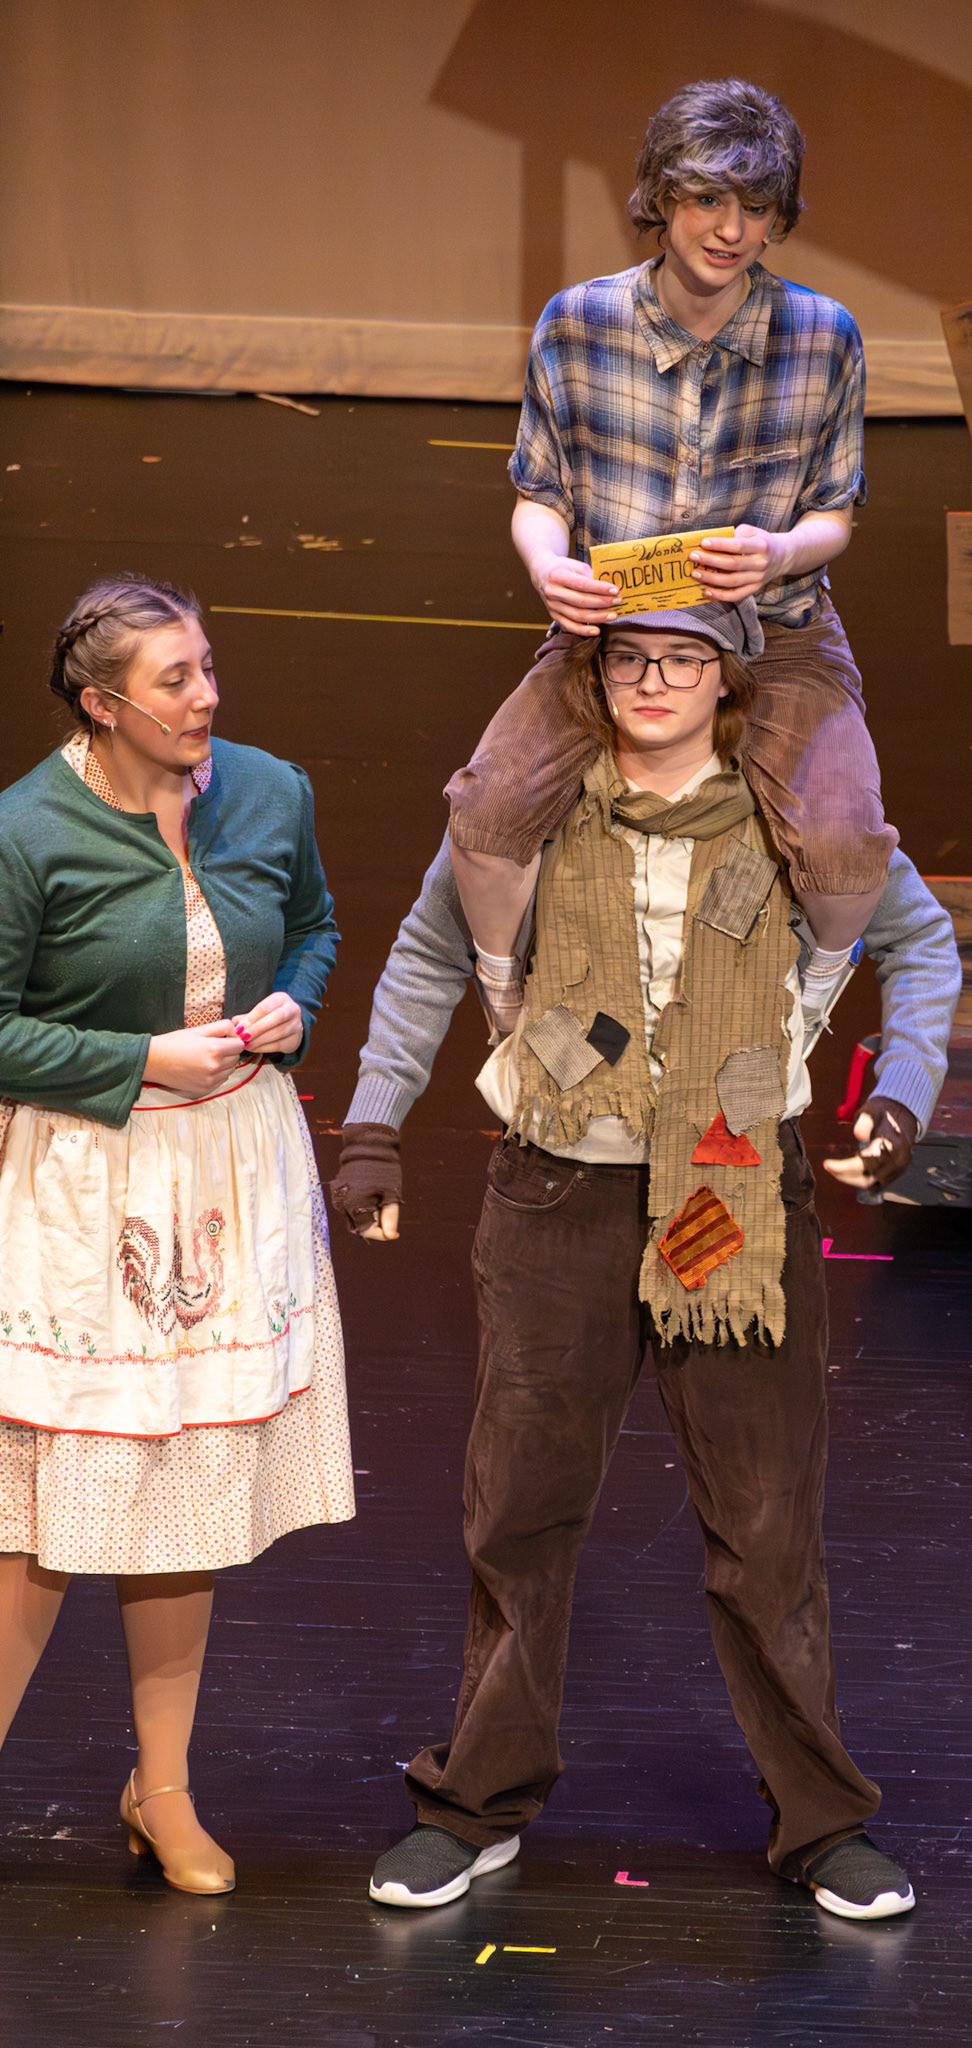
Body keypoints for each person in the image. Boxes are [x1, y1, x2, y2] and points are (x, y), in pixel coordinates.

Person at [333, 603, 960, 1920]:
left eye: (684, 659)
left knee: (768, 1527)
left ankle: (821, 1822)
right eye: (631, 658)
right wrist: (374, 1128)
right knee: (520, 1512)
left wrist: (901, 1089)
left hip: (732, 1195)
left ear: (726, 680)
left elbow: (922, 943)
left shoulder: (782, 818)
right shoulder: (533, 820)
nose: (657, 681)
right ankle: (479, 1802)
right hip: (560, 1186)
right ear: (593, 674)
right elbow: (422, 959)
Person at [0, 576, 354, 1896]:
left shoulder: (270, 790)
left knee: (186, 1501)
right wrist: (138, 1052)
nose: (206, 698)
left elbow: (312, 926)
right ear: (102, 706)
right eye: (174, 681)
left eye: (208, 667)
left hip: (229, 1168)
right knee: (38, 1514)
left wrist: (288, 1011)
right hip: (89, 1175)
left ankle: (165, 1790)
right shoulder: (29, 833)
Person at [444, 76, 895, 1046]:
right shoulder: (579, 324)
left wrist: (780, 549)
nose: (730, 229)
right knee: (486, 815)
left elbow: (835, 514)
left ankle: (808, 1005)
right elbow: (539, 493)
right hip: (612, 636)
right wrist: (548, 567)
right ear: (661, 198)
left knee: (848, 847)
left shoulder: (824, 338)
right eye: (707, 200)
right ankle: (507, 1007)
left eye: (756, 207)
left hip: (776, 633)